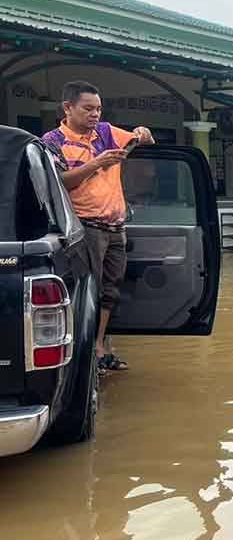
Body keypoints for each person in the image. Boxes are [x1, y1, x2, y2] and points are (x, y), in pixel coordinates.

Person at [42, 80, 155, 373]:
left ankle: (100, 346)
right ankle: (87, 354)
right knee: (87, 292)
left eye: (99, 109)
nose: (95, 114)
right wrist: (97, 163)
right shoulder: (53, 141)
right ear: (68, 108)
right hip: (84, 227)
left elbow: (145, 141)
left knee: (111, 290)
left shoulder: (105, 132)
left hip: (116, 226)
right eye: (88, 108)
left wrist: (143, 133)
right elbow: (59, 182)